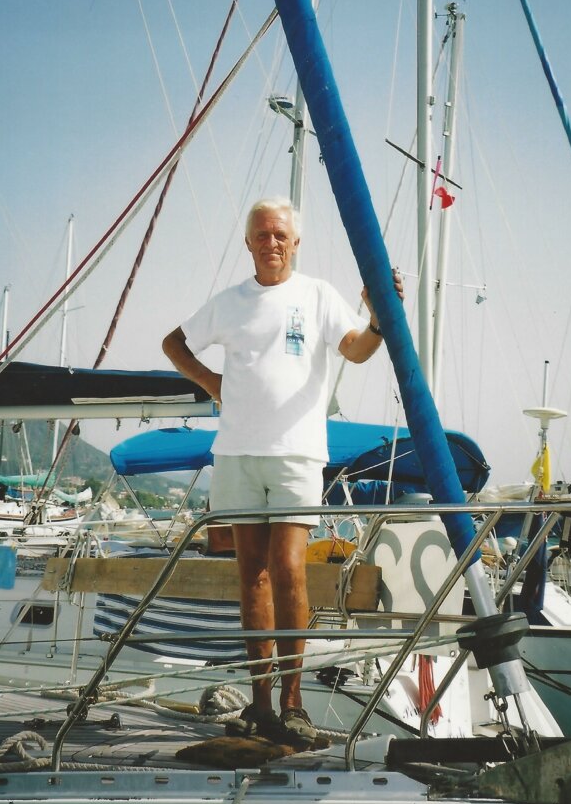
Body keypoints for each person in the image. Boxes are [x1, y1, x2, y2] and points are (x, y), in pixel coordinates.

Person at [162, 196, 402, 748]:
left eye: (280, 235)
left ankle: (294, 702)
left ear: (296, 243)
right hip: (237, 454)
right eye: (261, 235)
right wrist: (211, 382)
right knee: (252, 576)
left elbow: (357, 350)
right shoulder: (230, 302)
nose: (271, 243)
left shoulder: (317, 295)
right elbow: (174, 343)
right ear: (248, 243)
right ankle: (261, 703)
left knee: (290, 569)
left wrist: (379, 319)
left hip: (297, 453)